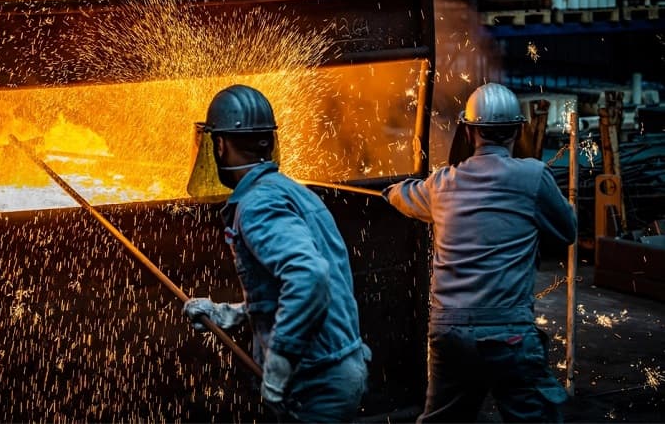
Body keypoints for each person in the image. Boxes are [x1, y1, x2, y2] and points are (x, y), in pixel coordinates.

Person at [382, 82, 577, 423]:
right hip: (508, 332)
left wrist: (389, 191)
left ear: (470, 132)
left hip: (450, 330)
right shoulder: (534, 177)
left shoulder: (441, 184)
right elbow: (567, 230)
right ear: (517, 130)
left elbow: (403, 195)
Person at [183, 84, 371, 423]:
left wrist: (279, 364)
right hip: (337, 367)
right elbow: (285, 288)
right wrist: (228, 314)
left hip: (315, 381)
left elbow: (309, 277)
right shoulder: (289, 190)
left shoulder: (257, 204)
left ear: (219, 145)